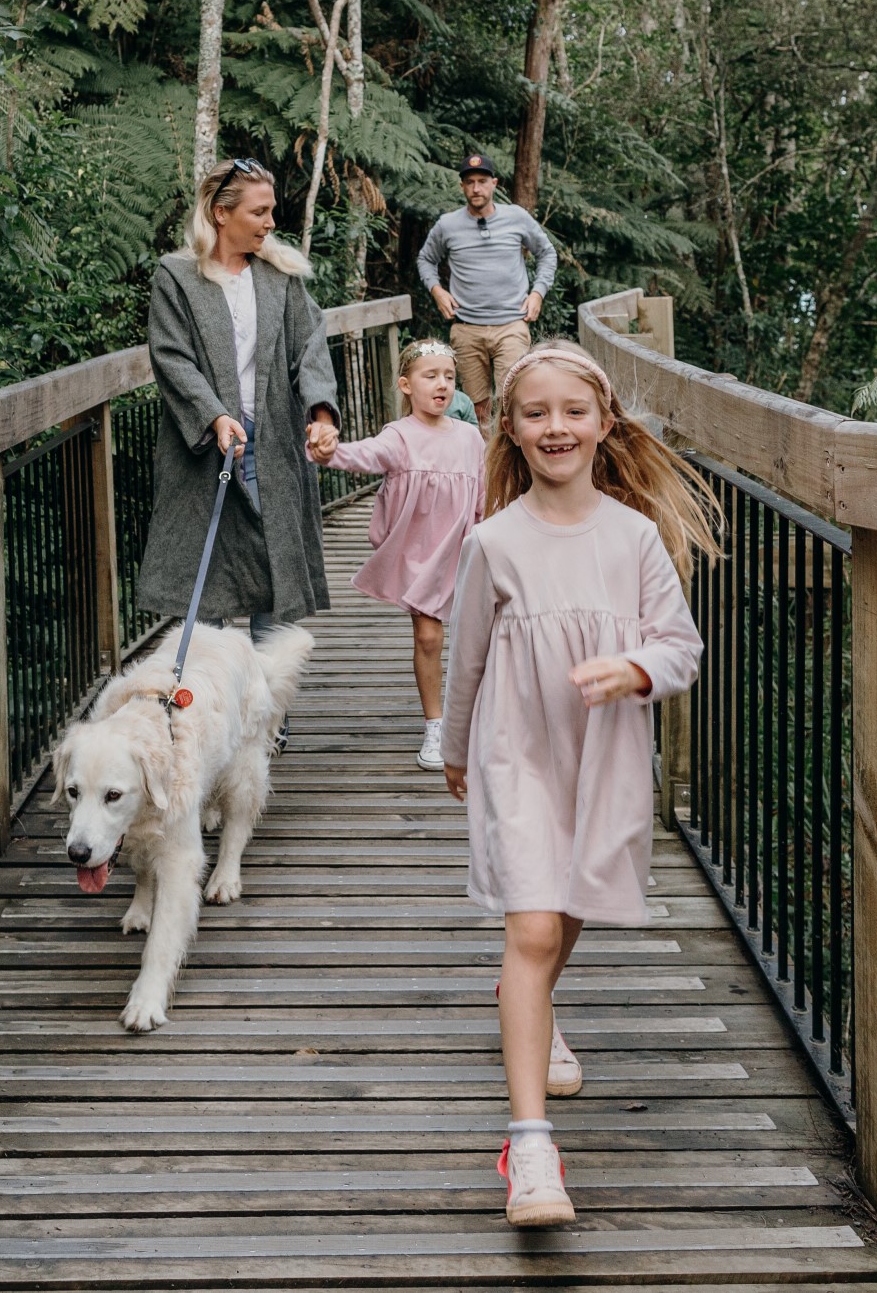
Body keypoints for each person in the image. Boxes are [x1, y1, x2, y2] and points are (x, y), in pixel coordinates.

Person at [441, 340, 718, 1228]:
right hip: (516, 753)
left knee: (569, 911)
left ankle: (532, 999)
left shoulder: (635, 539)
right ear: (510, 431)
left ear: (604, 424)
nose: (554, 427)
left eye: (572, 411)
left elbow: (680, 647)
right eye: (535, 413)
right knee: (530, 925)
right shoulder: (493, 542)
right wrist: (453, 749)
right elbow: (467, 658)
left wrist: (636, 669)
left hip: (605, 760)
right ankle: (530, 1148)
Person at [137, 157, 340, 671]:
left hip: (271, 444)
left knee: (274, 571)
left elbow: (309, 347)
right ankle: (210, 712)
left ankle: (269, 714)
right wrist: (213, 415)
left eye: (272, 211)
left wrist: (321, 415)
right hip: (205, 448)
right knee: (207, 583)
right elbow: (171, 355)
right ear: (221, 213)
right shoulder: (176, 276)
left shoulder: (280, 276)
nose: (271, 223)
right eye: (260, 211)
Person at [308, 340, 485, 770]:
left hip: (464, 550)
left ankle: (481, 719)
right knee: (428, 636)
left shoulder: (470, 436)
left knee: (477, 639)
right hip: (420, 555)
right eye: (430, 376)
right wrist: (332, 452)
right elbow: (369, 455)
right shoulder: (400, 435)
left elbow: (483, 492)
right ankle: (435, 725)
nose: (442, 385)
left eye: (449, 376)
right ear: (407, 385)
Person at [416, 152, 557, 427]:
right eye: (470, 182)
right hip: (467, 328)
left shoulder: (516, 217)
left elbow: (547, 253)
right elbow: (426, 259)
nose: (476, 188)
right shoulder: (448, 224)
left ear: (494, 183)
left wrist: (538, 292)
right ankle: (485, 465)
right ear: (462, 187)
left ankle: (515, 464)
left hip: (512, 325)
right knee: (478, 406)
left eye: (482, 181)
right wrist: (437, 291)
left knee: (514, 399)